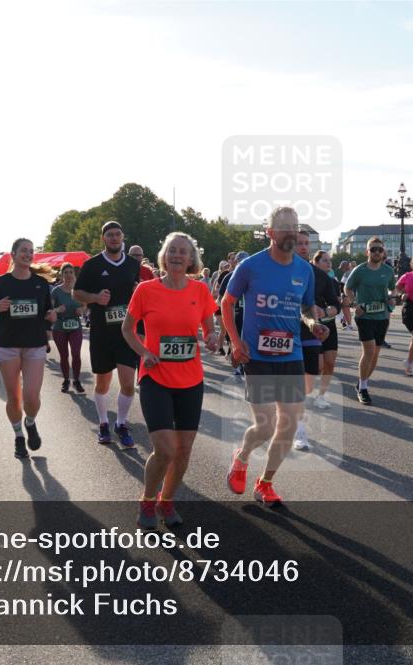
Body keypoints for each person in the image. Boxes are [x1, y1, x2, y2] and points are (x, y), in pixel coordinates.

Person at [222, 206, 328, 507]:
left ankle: (265, 483)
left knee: (290, 424)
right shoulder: (251, 266)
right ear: (269, 232)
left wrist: (313, 324)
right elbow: (226, 303)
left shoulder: (304, 269)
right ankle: (241, 457)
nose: (290, 232)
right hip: (257, 354)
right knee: (266, 426)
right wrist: (236, 341)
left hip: (290, 353)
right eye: (284, 227)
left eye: (294, 227)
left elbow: (306, 308)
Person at [122, 232, 220, 528]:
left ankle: (167, 501)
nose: (177, 255)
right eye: (172, 251)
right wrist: (144, 352)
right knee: (165, 449)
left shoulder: (200, 290)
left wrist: (213, 336)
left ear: (191, 259)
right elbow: (128, 329)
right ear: (164, 256)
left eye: (183, 252)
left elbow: (209, 324)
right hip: (156, 377)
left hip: (191, 379)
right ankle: (148, 502)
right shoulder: (145, 290)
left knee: (183, 449)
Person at [0, 238, 57, 459]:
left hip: (34, 344)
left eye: (31, 251)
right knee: (14, 398)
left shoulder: (41, 284)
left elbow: (47, 314)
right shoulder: (1, 283)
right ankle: (18, 436)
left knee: (32, 396)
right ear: (13, 254)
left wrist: (51, 318)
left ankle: (30, 422)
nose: (28, 254)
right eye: (23, 251)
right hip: (7, 345)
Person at [74, 221, 141, 447]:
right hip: (102, 333)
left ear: (123, 237)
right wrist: (94, 298)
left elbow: (139, 291)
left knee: (128, 384)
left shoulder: (132, 264)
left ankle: (120, 424)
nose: (114, 238)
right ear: (104, 238)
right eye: (110, 235)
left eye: (117, 235)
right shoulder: (92, 265)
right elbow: (76, 293)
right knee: (102, 383)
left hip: (126, 333)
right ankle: (103, 422)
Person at [291, 235, 338, 450]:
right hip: (285, 332)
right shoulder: (278, 270)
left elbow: (335, 304)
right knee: (296, 384)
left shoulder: (319, 275)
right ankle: (299, 429)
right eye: (298, 243)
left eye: (306, 244)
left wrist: (327, 310)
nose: (303, 247)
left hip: (311, 331)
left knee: (309, 381)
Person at [345, 237, 396, 405]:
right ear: (367, 252)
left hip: (382, 316)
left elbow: (392, 289)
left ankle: (362, 381)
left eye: (379, 250)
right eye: (373, 249)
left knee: (375, 353)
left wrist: (392, 299)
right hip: (364, 315)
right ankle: (364, 388)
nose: (376, 252)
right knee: (369, 351)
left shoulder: (388, 271)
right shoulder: (360, 270)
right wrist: (354, 304)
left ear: (383, 253)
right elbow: (347, 287)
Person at [312, 250, 342, 412]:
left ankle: (321, 396)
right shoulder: (309, 280)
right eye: (324, 260)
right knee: (318, 365)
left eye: (329, 260)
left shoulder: (333, 282)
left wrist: (329, 310)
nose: (328, 263)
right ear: (315, 263)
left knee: (330, 363)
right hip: (314, 327)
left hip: (330, 326)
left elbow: (336, 305)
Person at [51, 262, 87, 393]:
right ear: (61, 275)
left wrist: (82, 310)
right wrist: (57, 309)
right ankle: (66, 380)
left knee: (76, 354)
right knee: (64, 355)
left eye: (71, 272)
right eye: (65, 272)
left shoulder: (78, 290)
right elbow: (50, 310)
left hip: (75, 325)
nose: (68, 275)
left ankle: (76, 380)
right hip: (60, 326)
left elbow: (85, 305)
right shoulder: (56, 291)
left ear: (74, 274)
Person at [217, 250, 250, 379]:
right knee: (234, 340)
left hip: (249, 314)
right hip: (235, 313)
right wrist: (225, 311)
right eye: (240, 261)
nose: (242, 264)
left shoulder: (253, 276)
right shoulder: (229, 276)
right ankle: (236, 368)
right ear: (235, 262)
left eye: (245, 261)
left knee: (247, 341)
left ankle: (245, 366)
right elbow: (220, 297)